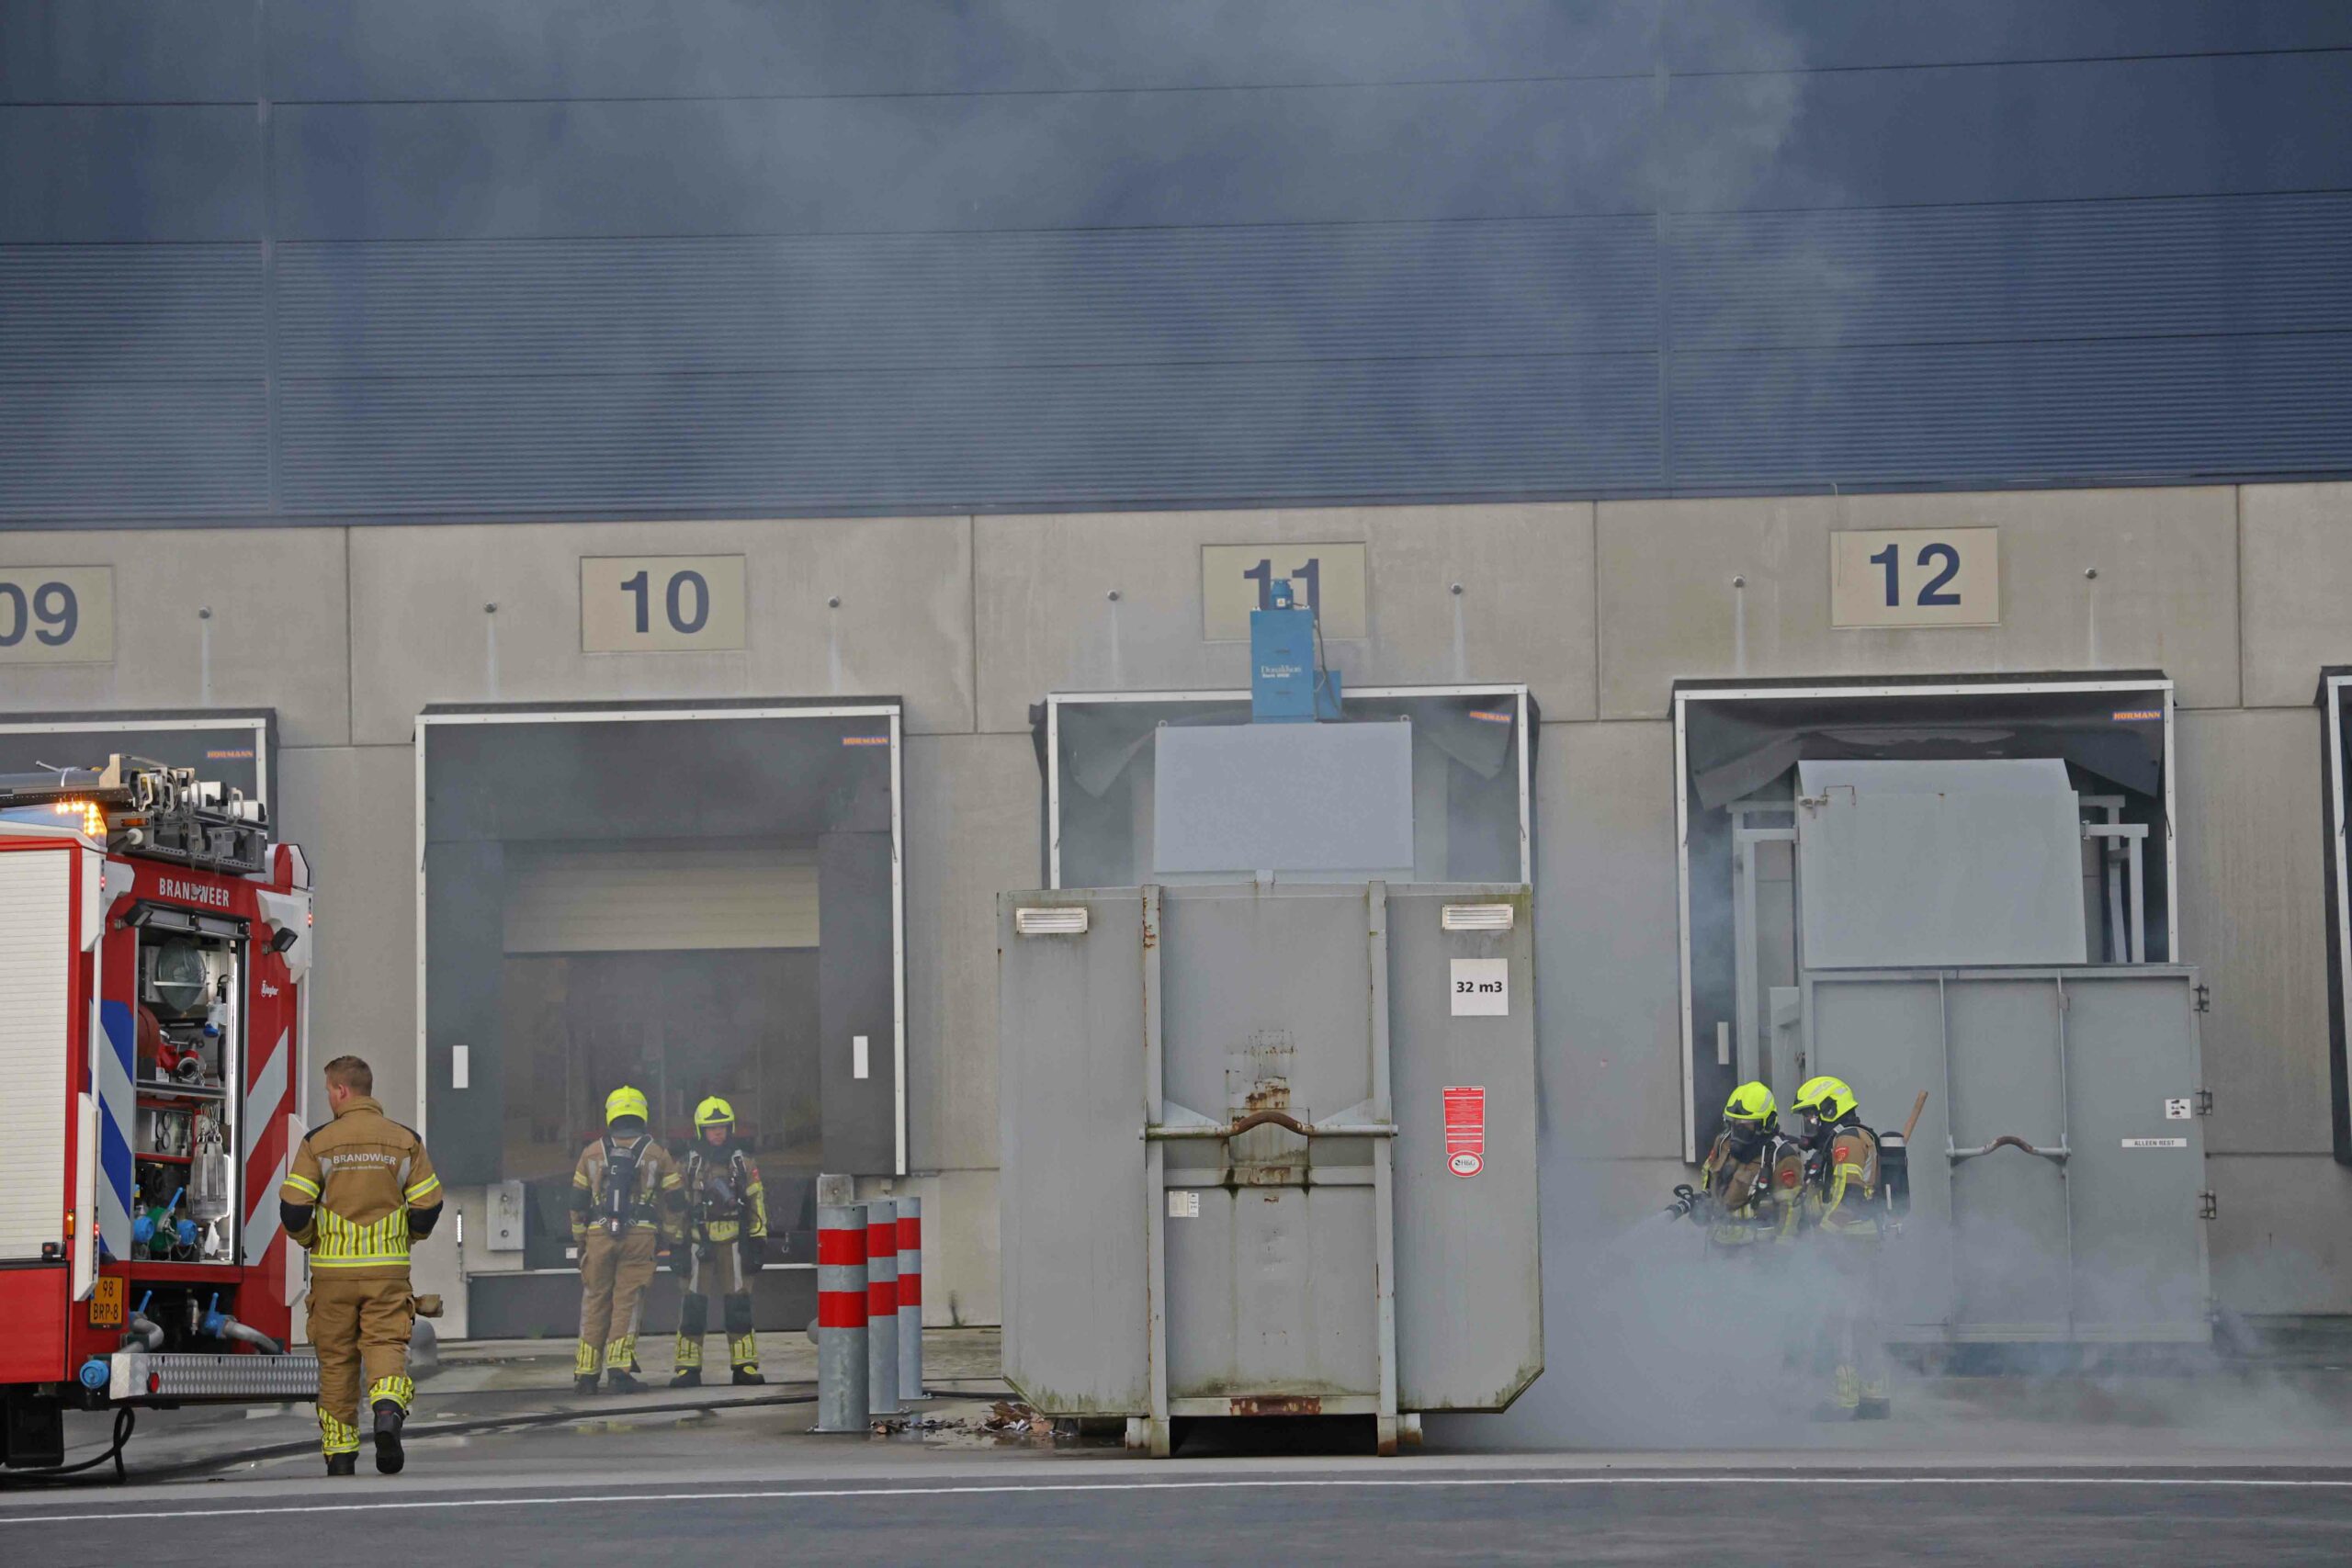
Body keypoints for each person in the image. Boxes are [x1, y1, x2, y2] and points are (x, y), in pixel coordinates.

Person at [278, 1055, 443, 1476]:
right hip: (387, 1273)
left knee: (336, 1360)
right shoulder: (404, 1140)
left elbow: (294, 1209)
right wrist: (406, 1237)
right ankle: (387, 1413)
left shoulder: (319, 1142)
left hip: (332, 1275)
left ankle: (340, 1455)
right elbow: (428, 1205)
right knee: (386, 1346)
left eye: (329, 1092)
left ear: (340, 1091)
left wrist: (310, 1240)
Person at [571, 1085, 684, 1393]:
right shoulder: (657, 1153)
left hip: (598, 1236)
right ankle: (619, 1370)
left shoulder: (591, 1153)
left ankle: (586, 1372)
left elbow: (577, 1203)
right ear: (641, 1113)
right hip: (640, 1235)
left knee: (594, 1299)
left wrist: (581, 1240)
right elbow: (675, 1201)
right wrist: (671, 1238)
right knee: (627, 1301)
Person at [1790, 1074, 1890, 1419]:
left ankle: (1842, 1400)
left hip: (1846, 1244)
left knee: (1838, 1320)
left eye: (1812, 1116)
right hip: (1857, 1243)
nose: (1809, 1123)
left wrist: (1822, 1236)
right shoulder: (1845, 1139)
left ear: (1830, 1109)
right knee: (1861, 1320)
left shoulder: (1847, 1140)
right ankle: (1874, 1396)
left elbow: (1848, 1199)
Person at [669, 1096, 770, 1387]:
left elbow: (756, 1201)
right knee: (693, 1306)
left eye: (723, 1127)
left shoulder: (742, 1162)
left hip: (735, 1243)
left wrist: (758, 1240)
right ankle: (687, 1368)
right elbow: (676, 1207)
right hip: (698, 1243)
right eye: (712, 1128)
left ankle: (745, 1365)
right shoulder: (688, 1165)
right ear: (701, 1130)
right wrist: (676, 1245)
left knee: (739, 1305)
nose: (718, 1133)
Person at [1687, 1080, 1800, 1255]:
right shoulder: (1723, 1143)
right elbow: (1709, 1177)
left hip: (1758, 1253)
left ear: (1766, 1123)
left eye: (1746, 1125)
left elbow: (1791, 1207)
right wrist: (1704, 1203)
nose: (1738, 1131)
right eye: (1734, 1124)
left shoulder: (1781, 1156)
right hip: (1718, 1246)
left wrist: (1781, 1251)